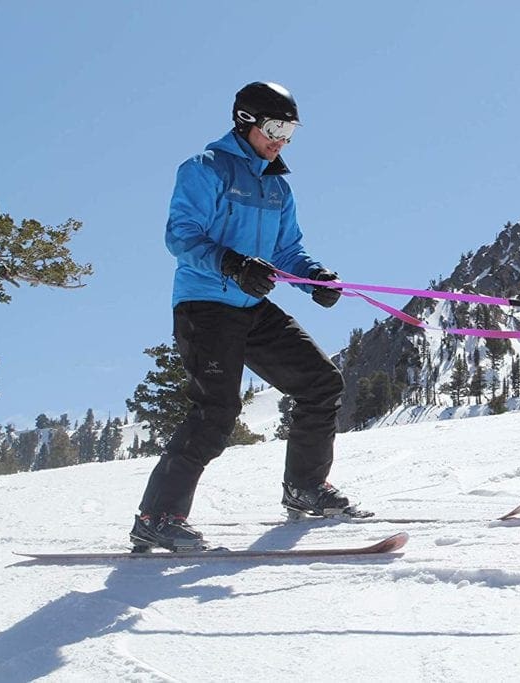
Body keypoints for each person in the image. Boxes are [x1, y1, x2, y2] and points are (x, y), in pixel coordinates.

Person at [130, 81, 355, 552]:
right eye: (275, 127)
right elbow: (182, 236)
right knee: (216, 410)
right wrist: (231, 263)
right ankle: (158, 515)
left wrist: (314, 276)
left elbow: (288, 248)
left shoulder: (277, 185)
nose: (281, 139)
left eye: (290, 131)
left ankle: (304, 487)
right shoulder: (204, 169)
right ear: (245, 120)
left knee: (320, 383)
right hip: (206, 305)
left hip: (252, 306)